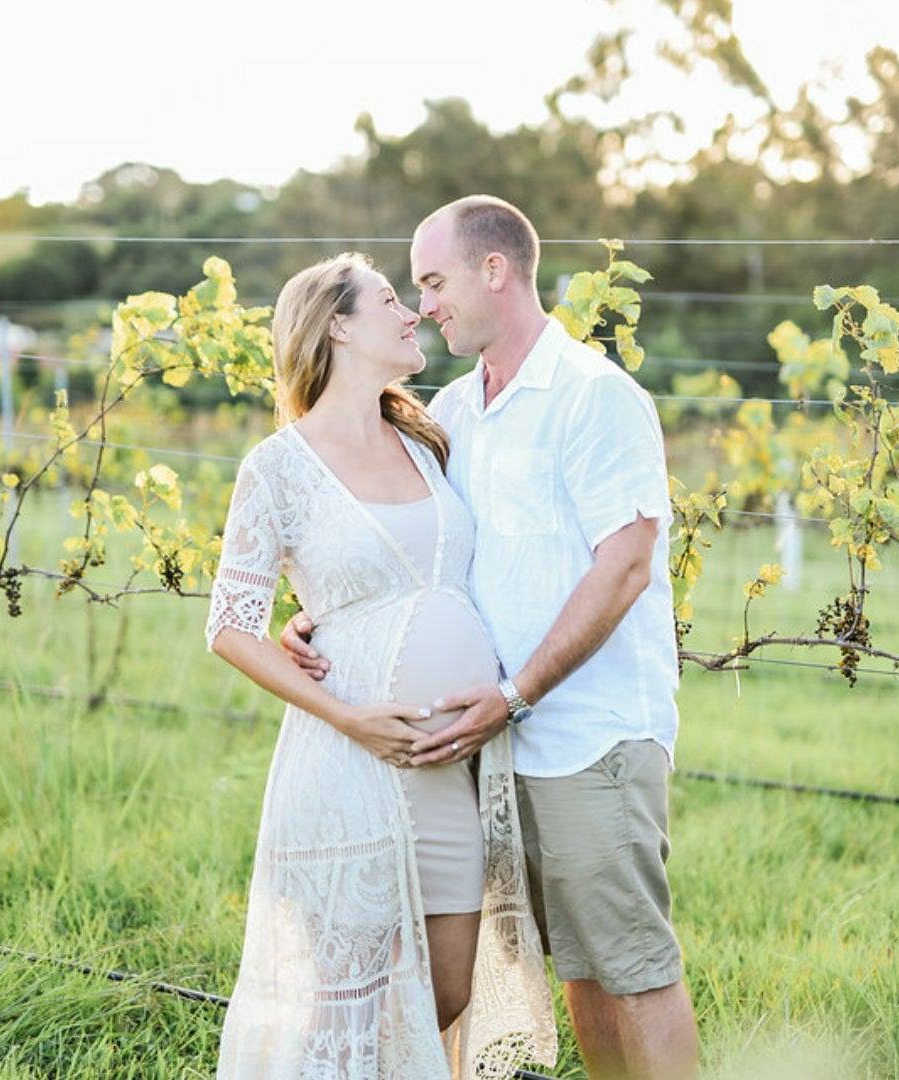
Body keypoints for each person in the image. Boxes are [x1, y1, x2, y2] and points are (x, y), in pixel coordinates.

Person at [284, 197, 701, 1080]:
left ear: (495, 271)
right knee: (578, 968)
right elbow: (416, 549)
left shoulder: (594, 396)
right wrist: (321, 610)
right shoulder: (454, 410)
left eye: (433, 282)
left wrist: (517, 693)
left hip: (588, 733)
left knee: (632, 966)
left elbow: (624, 565)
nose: (425, 304)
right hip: (499, 748)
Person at [204, 251, 556, 1079]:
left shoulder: (427, 438)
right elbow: (230, 626)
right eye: (393, 300)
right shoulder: (277, 466)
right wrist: (351, 714)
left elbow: (422, 578)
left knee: (445, 990)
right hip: (351, 763)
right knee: (350, 998)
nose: (412, 315)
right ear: (337, 324)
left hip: (454, 766)